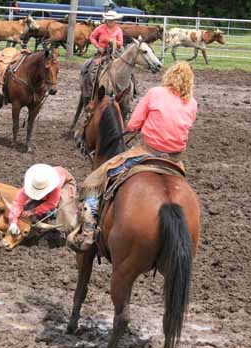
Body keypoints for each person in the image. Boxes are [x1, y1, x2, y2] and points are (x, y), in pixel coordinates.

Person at [67, 61, 199, 252]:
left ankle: (87, 230)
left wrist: (139, 127)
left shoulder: (155, 93)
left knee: (95, 180)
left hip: (147, 151)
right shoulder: (192, 103)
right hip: (175, 159)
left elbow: (132, 125)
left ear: (169, 76)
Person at [6, 164, 77, 237]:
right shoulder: (31, 184)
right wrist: (13, 222)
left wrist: (33, 211)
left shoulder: (56, 186)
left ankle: (70, 234)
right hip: (51, 180)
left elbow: (52, 203)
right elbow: (18, 203)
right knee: (28, 206)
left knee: (65, 211)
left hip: (65, 182)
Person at [80, 10, 123, 90]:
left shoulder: (118, 30)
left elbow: (120, 43)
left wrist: (113, 41)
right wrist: (98, 47)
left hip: (115, 53)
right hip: (101, 53)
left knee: (126, 70)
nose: (110, 22)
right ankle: (92, 87)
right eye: (109, 20)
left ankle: (128, 90)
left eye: (112, 20)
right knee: (92, 69)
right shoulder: (100, 28)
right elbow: (92, 37)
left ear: (115, 20)